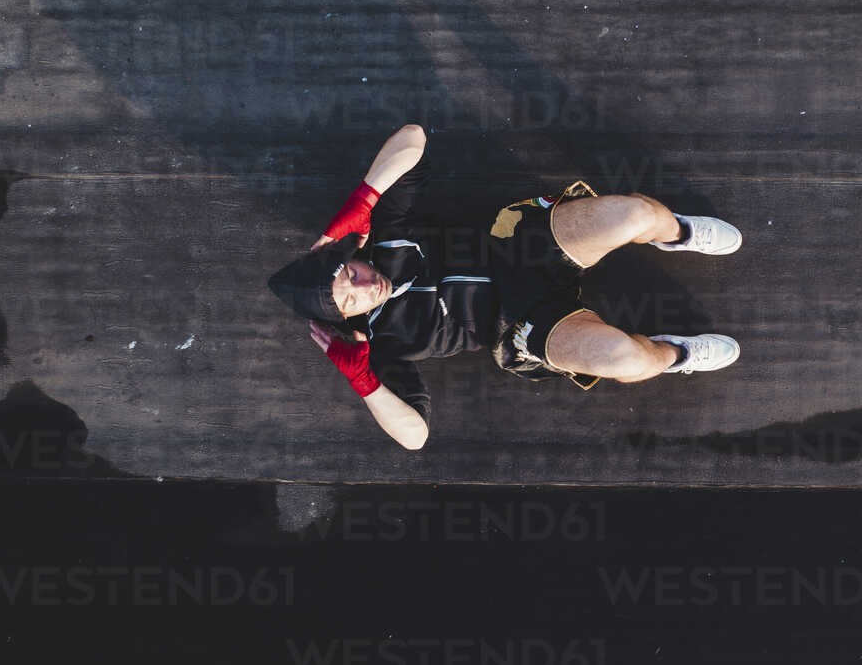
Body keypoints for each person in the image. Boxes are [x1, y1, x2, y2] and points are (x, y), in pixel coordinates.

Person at [268, 124, 741, 450]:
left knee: (634, 214)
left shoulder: (384, 230)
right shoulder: (383, 346)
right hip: (518, 325)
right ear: (347, 318)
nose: (364, 287)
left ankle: (679, 233)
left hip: (515, 244)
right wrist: (363, 380)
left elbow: (413, 138)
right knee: (625, 359)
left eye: (350, 274)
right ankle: (678, 355)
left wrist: (364, 197)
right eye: (349, 300)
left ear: (350, 257)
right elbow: (415, 437)